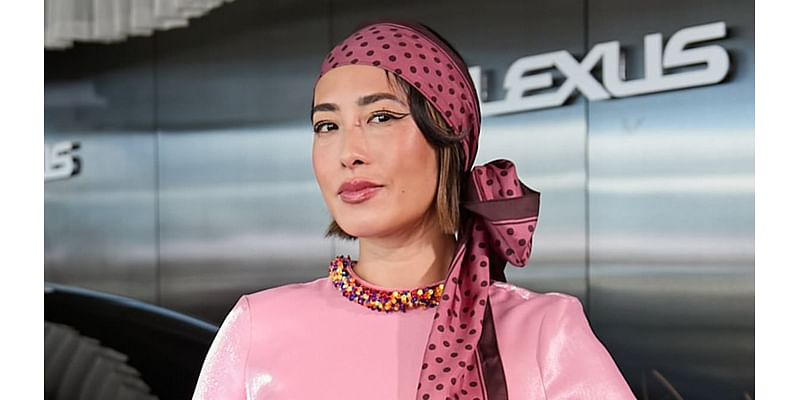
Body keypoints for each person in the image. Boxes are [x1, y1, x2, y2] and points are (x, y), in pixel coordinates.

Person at [192, 20, 635, 400]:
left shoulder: (545, 333)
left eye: (381, 117)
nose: (349, 152)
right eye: (327, 126)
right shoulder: (258, 328)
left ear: (449, 138)